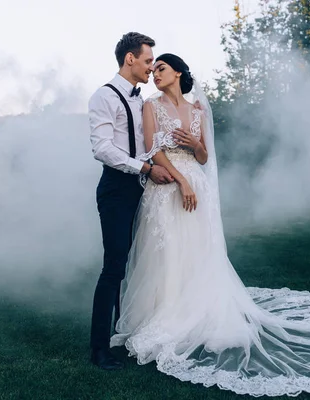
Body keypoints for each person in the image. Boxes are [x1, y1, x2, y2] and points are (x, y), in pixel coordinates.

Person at [109, 53, 310, 396]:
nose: (155, 73)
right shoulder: (150, 105)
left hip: (195, 183)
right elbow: (152, 151)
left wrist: (194, 145)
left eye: (161, 68)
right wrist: (182, 182)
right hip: (168, 185)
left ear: (178, 73)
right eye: (153, 68)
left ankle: (194, 311)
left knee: (196, 249)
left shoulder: (197, 110)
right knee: (167, 251)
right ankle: (162, 313)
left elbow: (205, 157)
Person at [87, 32, 174, 370]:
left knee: (141, 262)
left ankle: (125, 333)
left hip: (145, 187)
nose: (151, 67)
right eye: (148, 60)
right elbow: (102, 148)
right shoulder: (103, 97)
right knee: (114, 267)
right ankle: (98, 349)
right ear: (130, 59)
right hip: (117, 189)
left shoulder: (143, 101)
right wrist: (146, 168)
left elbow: (147, 143)